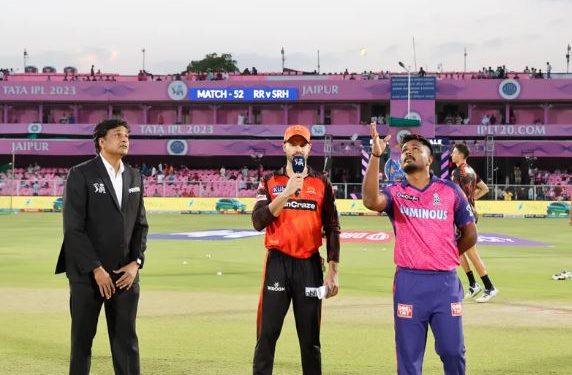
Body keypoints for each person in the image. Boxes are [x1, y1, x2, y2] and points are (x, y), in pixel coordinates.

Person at [362, 123, 477, 375]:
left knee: (453, 352)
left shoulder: (450, 191)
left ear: (430, 159)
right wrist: (375, 156)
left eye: (415, 148)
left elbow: (470, 233)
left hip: (445, 283)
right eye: (404, 150)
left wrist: (444, 254)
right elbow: (371, 201)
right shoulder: (395, 192)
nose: (407, 152)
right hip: (409, 283)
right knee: (409, 358)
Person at [55, 119, 148, 375]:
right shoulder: (81, 173)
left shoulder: (134, 176)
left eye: (127, 134)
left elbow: (141, 226)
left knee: (126, 343)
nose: (125, 138)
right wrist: (96, 269)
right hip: (88, 275)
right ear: (101, 141)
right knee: (82, 343)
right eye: (118, 134)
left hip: (124, 276)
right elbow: (73, 228)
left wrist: (136, 263)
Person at [251, 124, 341, 375]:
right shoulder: (269, 181)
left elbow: (333, 227)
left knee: (310, 340)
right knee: (267, 335)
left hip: (309, 266)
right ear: (285, 147)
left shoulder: (322, 182)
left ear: (310, 148)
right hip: (277, 265)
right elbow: (258, 221)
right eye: (293, 143)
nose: (298, 148)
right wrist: (287, 193)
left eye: (303, 144)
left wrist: (333, 271)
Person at [451, 143, 499, 303]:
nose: (452, 154)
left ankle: (489, 286)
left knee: (471, 253)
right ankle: (473, 284)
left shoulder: (457, 173)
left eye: (454, 152)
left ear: (461, 155)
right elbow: (484, 188)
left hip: (462, 216)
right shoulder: (471, 171)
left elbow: (454, 196)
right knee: (459, 251)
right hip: (469, 213)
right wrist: (472, 200)